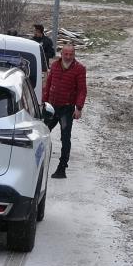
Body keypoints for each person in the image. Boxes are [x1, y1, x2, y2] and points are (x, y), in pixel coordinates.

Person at [42, 44, 87, 179]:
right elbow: (48, 85)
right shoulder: (55, 66)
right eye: (65, 54)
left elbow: (82, 90)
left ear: (74, 54)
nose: (68, 57)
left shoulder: (79, 69)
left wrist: (78, 108)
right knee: (42, 133)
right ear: (61, 54)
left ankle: (62, 168)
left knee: (65, 137)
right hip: (51, 107)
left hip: (67, 108)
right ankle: (36, 160)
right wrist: (43, 102)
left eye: (70, 54)